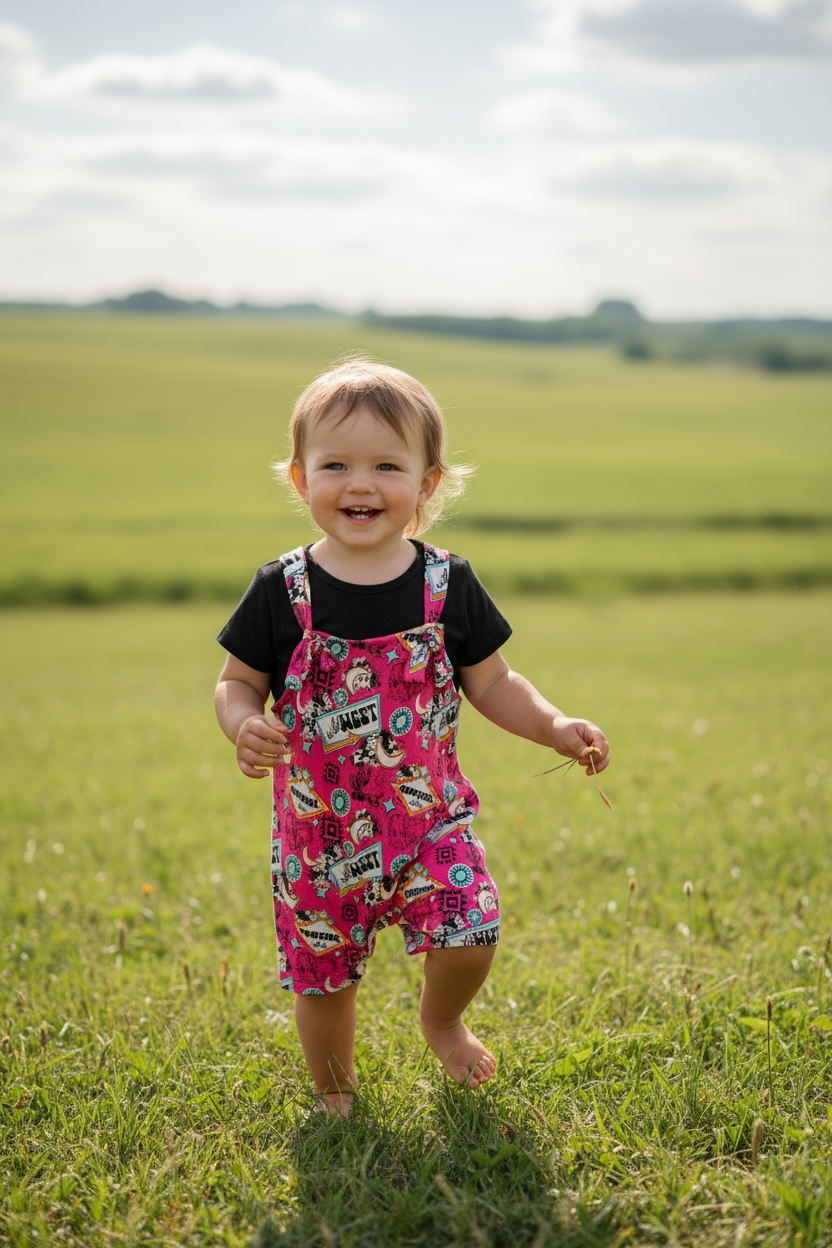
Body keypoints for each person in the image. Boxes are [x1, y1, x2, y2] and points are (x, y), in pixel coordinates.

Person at [215, 358, 609, 1116]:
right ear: (300, 479)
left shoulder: (446, 584)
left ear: (427, 484)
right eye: (336, 465)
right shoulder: (282, 591)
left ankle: (443, 1021)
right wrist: (243, 723)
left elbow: (495, 683)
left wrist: (556, 725)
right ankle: (334, 1092)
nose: (359, 484)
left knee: (471, 930)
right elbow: (236, 682)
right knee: (325, 979)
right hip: (320, 838)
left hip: (429, 819)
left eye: (387, 466)